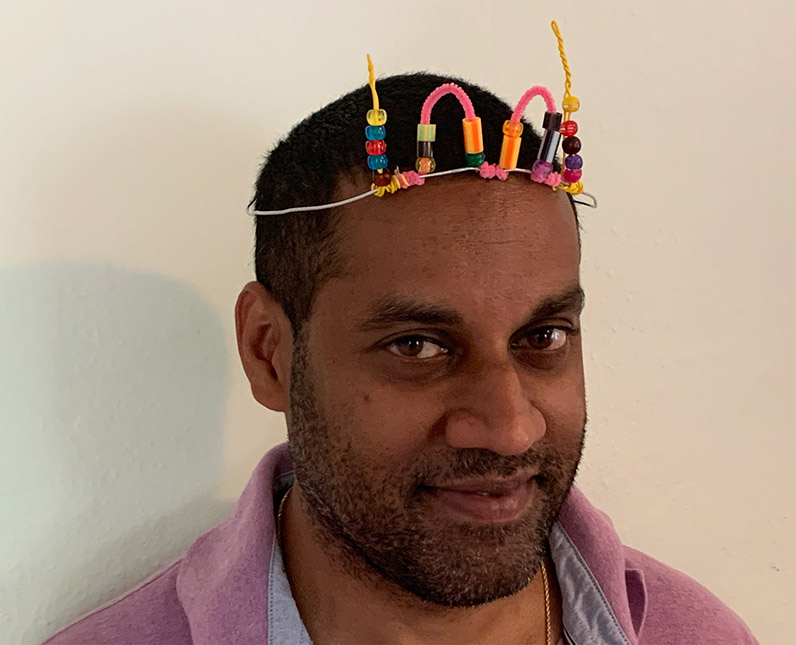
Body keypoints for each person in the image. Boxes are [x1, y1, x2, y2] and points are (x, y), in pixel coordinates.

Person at [44, 69, 758, 644]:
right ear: (269, 353)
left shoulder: (697, 634)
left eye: (542, 338)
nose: (510, 428)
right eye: (417, 345)